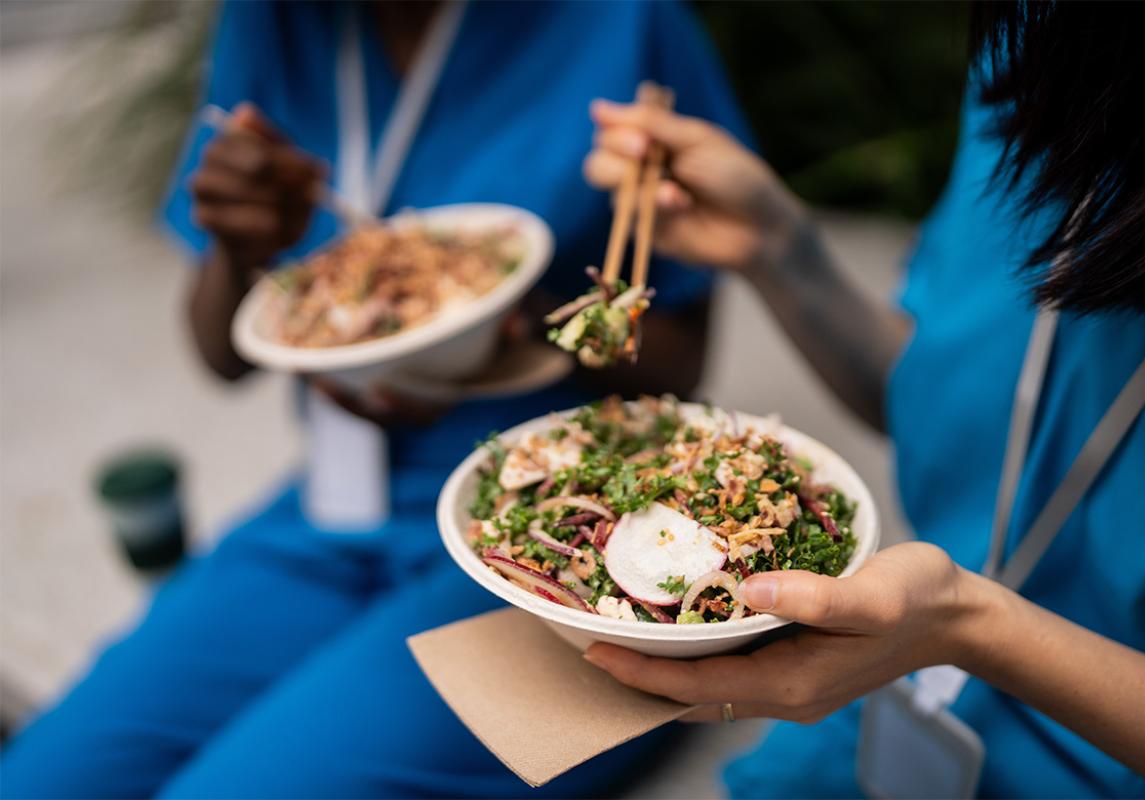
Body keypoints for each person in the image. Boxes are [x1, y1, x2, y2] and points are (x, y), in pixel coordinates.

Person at [1, 1, 749, 797]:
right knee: (42, 777)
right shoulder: (275, 21)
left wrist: (534, 324)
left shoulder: (624, 23)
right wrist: (237, 244)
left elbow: (682, 359)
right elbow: (225, 356)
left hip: (556, 540)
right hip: (334, 504)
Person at [580, 2, 1145, 798]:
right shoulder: (1054, 54)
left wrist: (973, 628)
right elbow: (956, 409)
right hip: (889, 709)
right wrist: (777, 249)